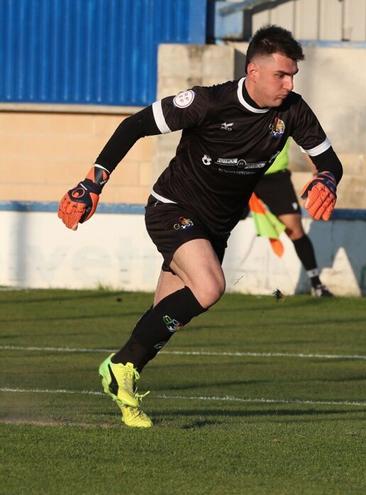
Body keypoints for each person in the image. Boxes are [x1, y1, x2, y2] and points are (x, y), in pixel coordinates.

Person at [57, 26, 343, 428]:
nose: (289, 84)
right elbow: (134, 125)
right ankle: (120, 364)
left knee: (167, 314)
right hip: (172, 207)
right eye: (282, 75)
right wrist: (93, 181)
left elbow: (330, 160)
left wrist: (327, 179)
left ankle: (123, 377)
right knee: (210, 287)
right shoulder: (207, 102)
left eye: (293, 75)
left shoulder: (292, 111)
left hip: (216, 227)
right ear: (254, 71)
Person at [252, 139, 333, 297]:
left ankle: (316, 284)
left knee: (295, 230)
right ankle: (200, 283)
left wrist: (318, 169)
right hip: (241, 175)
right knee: (219, 225)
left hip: (275, 179)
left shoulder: (287, 114)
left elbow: (307, 141)